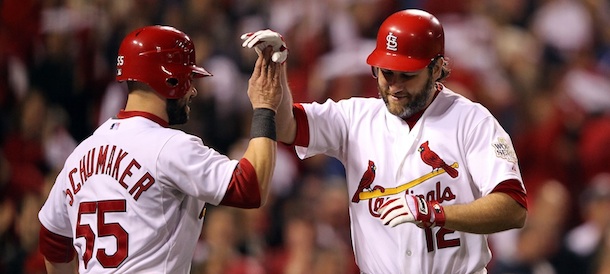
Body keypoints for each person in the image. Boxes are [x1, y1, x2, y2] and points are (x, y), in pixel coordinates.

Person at [241, 9, 528, 274]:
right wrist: (275, 72)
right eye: (386, 72)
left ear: (438, 68)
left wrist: (436, 213)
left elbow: (513, 208)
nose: (394, 86)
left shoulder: (472, 121)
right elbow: (284, 124)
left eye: (407, 75)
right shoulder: (355, 117)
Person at [37, 25, 282, 273]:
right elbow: (251, 186)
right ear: (169, 79)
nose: (192, 90)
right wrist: (265, 107)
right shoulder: (169, 146)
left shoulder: (79, 154)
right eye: (188, 79)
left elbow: (53, 243)